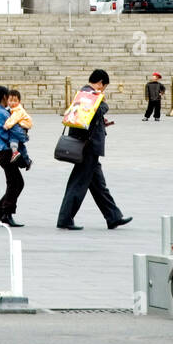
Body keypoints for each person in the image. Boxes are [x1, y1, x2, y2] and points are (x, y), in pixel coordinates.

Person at [56, 69, 132, 231]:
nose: (103, 90)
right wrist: (102, 102)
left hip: (86, 145)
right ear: (100, 83)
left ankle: (113, 217)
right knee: (78, 183)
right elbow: (100, 108)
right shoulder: (90, 94)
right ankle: (65, 219)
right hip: (87, 147)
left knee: (98, 185)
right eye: (104, 87)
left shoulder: (83, 93)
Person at [0, 85, 27, 227]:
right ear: (4, 97)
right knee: (15, 183)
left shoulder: (1, 111)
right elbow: (2, 131)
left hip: (4, 151)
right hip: (4, 151)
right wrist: (20, 134)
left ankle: (1, 208)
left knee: (15, 182)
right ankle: (6, 212)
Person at [5, 89, 33, 168]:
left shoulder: (18, 110)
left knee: (13, 138)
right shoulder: (12, 109)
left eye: (15, 101)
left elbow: (13, 119)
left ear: (19, 101)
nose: (13, 103)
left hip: (22, 130)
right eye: (10, 100)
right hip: (22, 129)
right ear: (7, 101)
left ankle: (14, 152)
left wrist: (6, 125)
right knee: (20, 145)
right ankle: (27, 161)